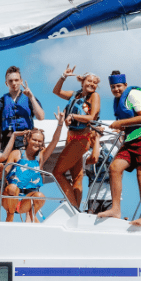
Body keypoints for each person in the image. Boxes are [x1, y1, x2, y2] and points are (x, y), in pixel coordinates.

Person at [97, 71, 141, 226]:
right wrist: (121, 128)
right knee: (115, 167)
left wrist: (120, 124)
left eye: (118, 86)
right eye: (112, 87)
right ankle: (116, 209)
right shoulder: (118, 100)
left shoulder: (134, 95)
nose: (116, 89)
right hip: (130, 139)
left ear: (125, 85)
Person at [0, 109, 65, 223]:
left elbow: (55, 141)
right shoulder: (16, 154)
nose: (37, 143)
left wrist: (60, 124)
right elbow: (3, 176)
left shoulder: (41, 157)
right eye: (34, 139)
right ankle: (9, 216)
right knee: (12, 187)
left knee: (40, 195)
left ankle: (30, 218)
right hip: (10, 198)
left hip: (25, 202)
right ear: (28, 140)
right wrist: (1, 170)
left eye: (40, 141)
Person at [51, 65, 101, 208]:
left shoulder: (94, 96)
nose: (92, 84)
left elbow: (92, 117)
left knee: (57, 172)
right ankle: (76, 208)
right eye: (89, 81)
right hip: (70, 137)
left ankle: (72, 207)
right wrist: (63, 76)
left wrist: (72, 115)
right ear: (82, 81)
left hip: (82, 138)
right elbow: (56, 91)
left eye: (95, 83)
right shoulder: (75, 94)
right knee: (77, 178)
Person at [0, 66, 45, 151]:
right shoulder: (0, 103)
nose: (14, 83)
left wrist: (31, 97)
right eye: (11, 81)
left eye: (16, 80)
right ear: (6, 83)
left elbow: (41, 117)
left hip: (26, 143)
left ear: (21, 81)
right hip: (8, 143)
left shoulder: (29, 99)